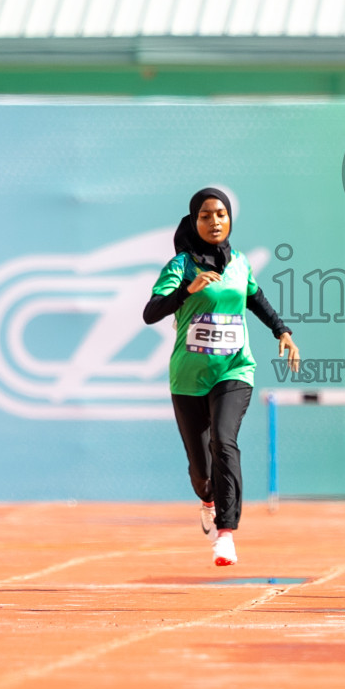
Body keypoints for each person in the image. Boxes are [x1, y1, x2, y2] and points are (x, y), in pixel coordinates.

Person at [144, 188, 298, 567]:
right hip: (188, 377)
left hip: (234, 369)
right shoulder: (180, 266)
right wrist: (186, 290)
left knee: (224, 442)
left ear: (230, 220)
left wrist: (283, 332)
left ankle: (226, 533)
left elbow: (255, 299)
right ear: (194, 222)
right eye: (206, 216)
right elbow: (151, 313)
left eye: (221, 215)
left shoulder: (240, 263)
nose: (215, 222)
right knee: (201, 469)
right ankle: (208, 500)